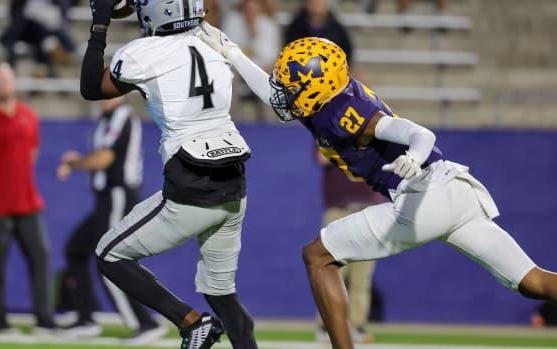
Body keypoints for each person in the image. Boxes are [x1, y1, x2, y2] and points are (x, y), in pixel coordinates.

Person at [196, 27, 557, 349]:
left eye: (292, 83)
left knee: (318, 256)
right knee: (533, 282)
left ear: (315, 84)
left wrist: (414, 157)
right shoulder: (324, 99)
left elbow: (420, 133)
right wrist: (232, 53)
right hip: (455, 191)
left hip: (424, 193)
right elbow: (275, 97)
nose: (283, 88)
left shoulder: (344, 112)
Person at [79, 1, 258, 349]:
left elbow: (91, 87)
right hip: (234, 186)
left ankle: (193, 323)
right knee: (221, 294)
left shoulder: (144, 53)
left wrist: (100, 25)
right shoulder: (213, 41)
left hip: (191, 185)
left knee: (109, 254)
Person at [56, 96, 167, 344]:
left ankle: (144, 322)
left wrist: (75, 163)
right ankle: (85, 318)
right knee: (75, 249)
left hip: (117, 196)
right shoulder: (107, 118)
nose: (104, 97)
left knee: (109, 260)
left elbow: (105, 158)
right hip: (105, 200)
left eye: (110, 92)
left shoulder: (121, 115)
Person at [0, 63, 57, 334]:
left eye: (7, 79)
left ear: (15, 83)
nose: (3, 84)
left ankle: (45, 318)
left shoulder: (29, 115)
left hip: (27, 201)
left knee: (40, 256)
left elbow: (32, 153)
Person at [314, 149, 384, 344]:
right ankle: (325, 326)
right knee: (333, 271)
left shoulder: (375, 130)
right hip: (339, 209)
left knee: (362, 275)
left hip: (370, 209)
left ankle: (357, 326)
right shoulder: (328, 128)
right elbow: (321, 158)